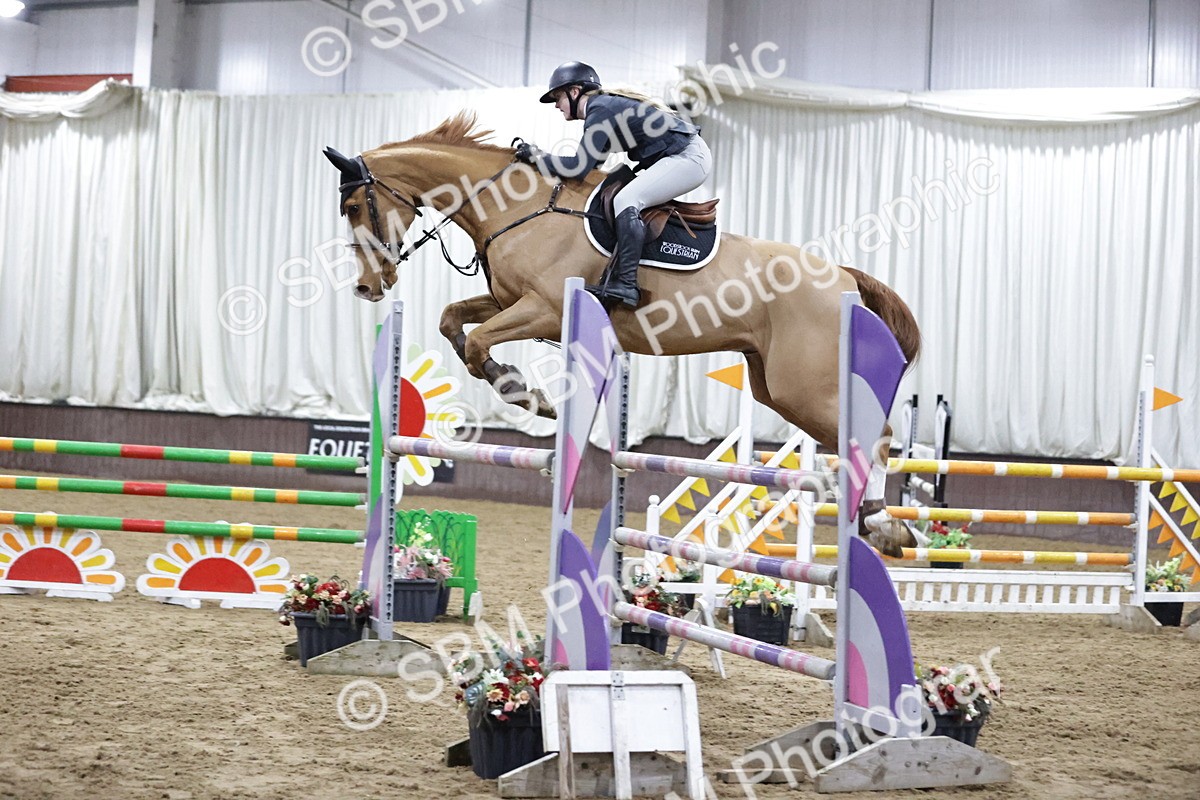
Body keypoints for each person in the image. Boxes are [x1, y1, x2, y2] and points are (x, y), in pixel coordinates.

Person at [515, 61, 712, 309]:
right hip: (682, 156)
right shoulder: (603, 109)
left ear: (574, 92)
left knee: (626, 200)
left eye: (558, 97)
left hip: (688, 158)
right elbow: (593, 164)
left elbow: (578, 166)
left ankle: (627, 284)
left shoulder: (600, 110)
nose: (556, 105)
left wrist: (536, 156)